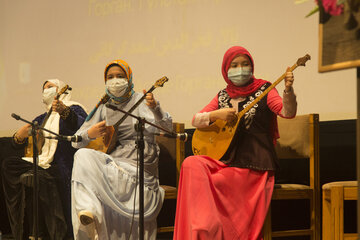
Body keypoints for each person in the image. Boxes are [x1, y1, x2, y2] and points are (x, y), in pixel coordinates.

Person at [173, 46, 297, 240]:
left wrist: (288, 91)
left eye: (245, 64)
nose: (240, 69)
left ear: (252, 66)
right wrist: (216, 114)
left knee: (217, 181)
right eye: (235, 65)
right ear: (226, 70)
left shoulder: (266, 89)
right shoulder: (223, 95)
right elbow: (196, 120)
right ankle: (204, 229)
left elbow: (287, 112)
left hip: (254, 162)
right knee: (191, 163)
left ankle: (217, 233)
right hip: (227, 162)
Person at [71, 59, 172, 240]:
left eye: (120, 76)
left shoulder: (141, 101)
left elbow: (167, 129)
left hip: (140, 165)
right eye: (110, 77)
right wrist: (90, 133)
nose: (115, 81)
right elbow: (75, 141)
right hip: (116, 163)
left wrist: (155, 109)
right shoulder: (104, 105)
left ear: (129, 78)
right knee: (81, 154)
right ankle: (87, 209)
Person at [1, 79, 88, 240]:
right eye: (44, 88)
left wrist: (64, 112)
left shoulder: (75, 107)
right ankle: (20, 230)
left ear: (62, 89)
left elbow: (83, 126)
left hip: (65, 163)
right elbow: (24, 139)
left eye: (50, 87)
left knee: (40, 177)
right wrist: (18, 137)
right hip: (43, 164)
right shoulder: (43, 117)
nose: (46, 91)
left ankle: (59, 234)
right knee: (9, 164)